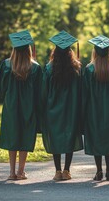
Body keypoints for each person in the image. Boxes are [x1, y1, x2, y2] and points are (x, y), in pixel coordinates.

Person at [0, 30, 42, 180]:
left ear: (14, 48)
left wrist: (3, 95)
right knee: (25, 135)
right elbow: (40, 91)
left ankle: (11, 172)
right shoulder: (35, 67)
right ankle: (21, 171)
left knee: (13, 135)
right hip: (29, 107)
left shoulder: (7, 65)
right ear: (28, 49)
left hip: (11, 106)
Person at [41, 30, 83, 181]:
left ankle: (57, 171)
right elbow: (80, 91)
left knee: (56, 138)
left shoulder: (48, 68)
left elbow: (44, 91)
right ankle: (67, 170)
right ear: (70, 51)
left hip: (53, 109)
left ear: (55, 51)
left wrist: (43, 107)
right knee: (69, 137)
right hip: (71, 109)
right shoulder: (76, 68)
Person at [82, 35, 109, 181]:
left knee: (97, 140)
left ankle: (99, 171)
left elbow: (84, 94)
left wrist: (82, 114)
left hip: (93, 112)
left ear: (94, 51)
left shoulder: (89, 69)